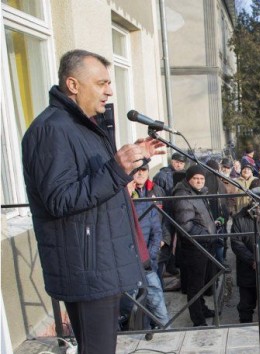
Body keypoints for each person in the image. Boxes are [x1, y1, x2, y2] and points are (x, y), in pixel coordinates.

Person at [21, 49, 165, 353]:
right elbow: (60, 199)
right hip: (85, 265)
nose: (109, 91)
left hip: (99, 259)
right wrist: (116, 168)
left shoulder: (82, 126)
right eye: (101, 83)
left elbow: (97, 181)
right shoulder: (52, 130)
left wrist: (135, 162)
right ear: (73, 85)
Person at [173, 165, 219, 326]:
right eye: (196, 179)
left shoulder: (198, 193)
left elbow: (201, 217)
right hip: (195, 247)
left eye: (201, 179)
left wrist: (213, 226)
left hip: (204, 244)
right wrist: (207, 233)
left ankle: (203, 309)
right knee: (195, 284)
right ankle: (198, 319)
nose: (199, 181)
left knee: (203, 282)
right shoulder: (183, 196)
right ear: (188, 179)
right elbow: (186, 226)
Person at [124, 170, 170, 330]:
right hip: (127, 269)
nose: (132, 186)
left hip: (147, 265)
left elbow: (156, 231)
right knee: (129, 310)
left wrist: (150, 256)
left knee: (159, 308)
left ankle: (167, 336)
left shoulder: (146, 203)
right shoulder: (115, 209)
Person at [231, 183, 260, 323]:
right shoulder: (239, 218)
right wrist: (252, 260)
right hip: (248, 268)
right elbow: (236, 243)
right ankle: (245, 330)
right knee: (246, 306)